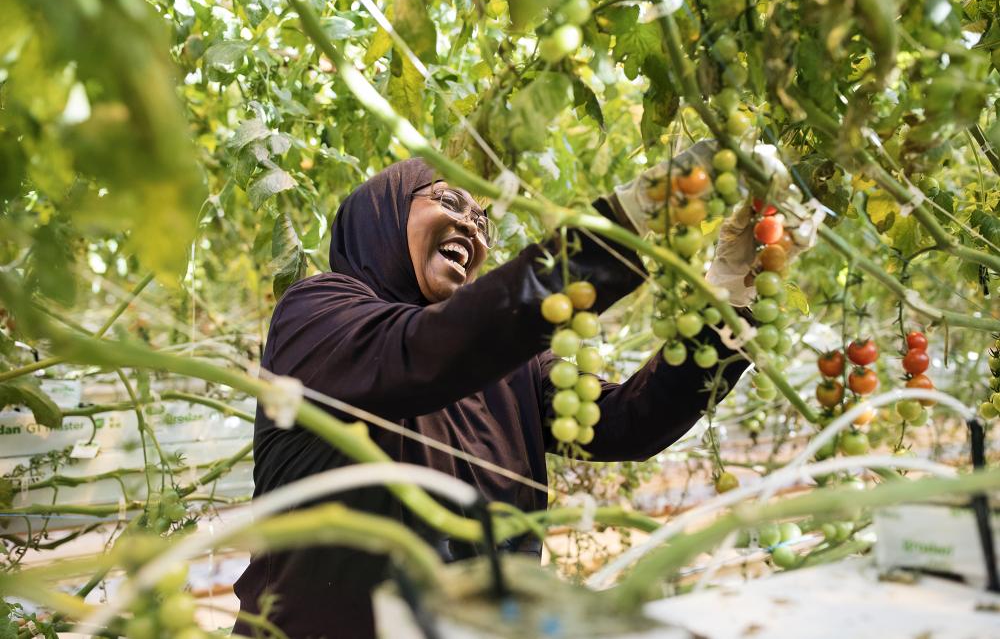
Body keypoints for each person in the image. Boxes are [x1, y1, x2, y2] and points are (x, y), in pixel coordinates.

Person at [233, 147, 801, 638]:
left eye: (485, 224)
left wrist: (729, 301)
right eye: (449, 203)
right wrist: (616, 225)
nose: (474, 230)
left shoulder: (512, 365)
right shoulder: (319, 313)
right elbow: (423, 355)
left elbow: (630, 422)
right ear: (380, 214)